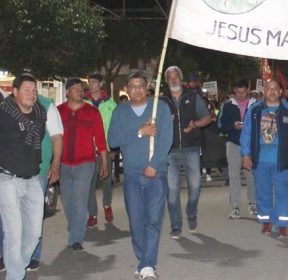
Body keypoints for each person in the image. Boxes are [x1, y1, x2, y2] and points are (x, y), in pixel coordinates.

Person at [0, 74, 57, 280]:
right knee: (14, 232)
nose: (32, 94)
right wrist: (3, 154)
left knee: (34, 233)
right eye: (27, 90)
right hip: (5, 180)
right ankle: (15, 276)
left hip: (32, 179)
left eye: (34, 90)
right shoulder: (2, 113)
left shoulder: (40, 113)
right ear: (15, 92)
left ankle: (18, 265)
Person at [108, 71, 173, 280]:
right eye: (132, 86)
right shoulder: (120, 112)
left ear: (148, 88)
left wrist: (154, 165)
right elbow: (113, 140)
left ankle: (147, 264)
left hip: (156, 173)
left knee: (153, 220)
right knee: (136, 221)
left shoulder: (159, 108)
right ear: (127, 89)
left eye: (141, 86)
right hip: (132, 174)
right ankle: (143, 259)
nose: (137, 90)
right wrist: (139, 131)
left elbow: (166, 140)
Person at [0, 92, 62, 273]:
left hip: (36, 170)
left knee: (32, 217)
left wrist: (55, 164)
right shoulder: (6, 106)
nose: (30, 90)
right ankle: (7, 256)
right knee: (4, 218)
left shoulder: (46, 106)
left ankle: (32, 256)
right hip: (7, 172)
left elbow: (56, 137)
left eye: (33, 86)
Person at [240, 80, 288, 239]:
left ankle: (282, 224)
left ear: (281, 92)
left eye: (276, 89)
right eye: (269, 88)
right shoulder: (254, 110)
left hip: (280, 159)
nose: (273, 91)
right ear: (264, 91)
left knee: (281, 192)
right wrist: (245, 154)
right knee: (262, 192)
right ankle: (266, 220)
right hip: (259, 159)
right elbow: (246, 134)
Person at [159, 65, 212, 237]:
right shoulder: (161, 101)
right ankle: (176, 225)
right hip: (170, 151)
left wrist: (195, 124)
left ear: (181, 79)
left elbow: (207, 118)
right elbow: (153, 125)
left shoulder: (193, 96)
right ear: (166, 81)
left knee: (195, 187)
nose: (174, 80)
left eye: (176, 77)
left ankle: (191, 213)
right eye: (170, 78)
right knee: (172, 191)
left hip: (191, 149)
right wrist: (165, 121)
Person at [57, 78, 108, 250]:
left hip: (86, 162)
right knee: (66, 200)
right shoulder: (58, 112)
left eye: (81, 88)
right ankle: (75, 228)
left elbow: (100, 139)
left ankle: (76, 238)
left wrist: (105, 163)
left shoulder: (92, 112)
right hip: (63, 163)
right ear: (67, 92)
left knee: (80, 200)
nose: (80, 91)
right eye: (76, 88)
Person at [218, 79, 257, 219]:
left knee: (251, 175)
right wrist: (232, 127)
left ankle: (252, 203)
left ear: (248, 90)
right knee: (234, 176)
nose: (240, 95)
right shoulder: (228, 106)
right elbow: (221, 125)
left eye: (243, 92)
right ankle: (235, 206)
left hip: (251, 145)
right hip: (233, 143)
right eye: (238, 92)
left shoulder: (256, 104)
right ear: (234, 91)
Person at [85, 73, 117, 226]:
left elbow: (116, 126)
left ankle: (107, 204)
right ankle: (92, 213)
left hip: (106, 149)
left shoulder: (110, 103)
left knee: (106, 180)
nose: (91, 85)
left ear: (101, 83)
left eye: (94, 82)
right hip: (87, 150)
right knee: (90, 183)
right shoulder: (83, 102)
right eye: (89, 82)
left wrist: (113, 148)